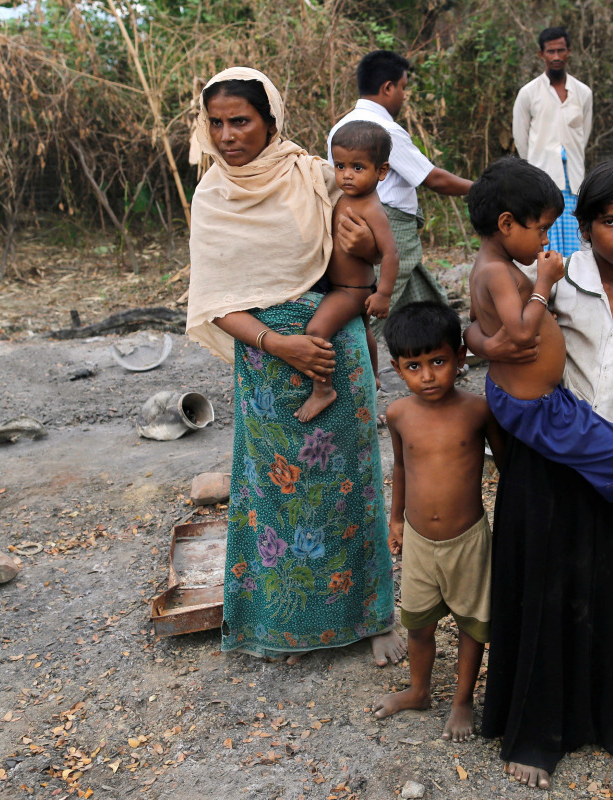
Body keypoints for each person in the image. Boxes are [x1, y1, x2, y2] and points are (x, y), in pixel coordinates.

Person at [185, 67, 406, 667]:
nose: (228, 135)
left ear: (272, 120)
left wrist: (361, 261)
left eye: (241, 121)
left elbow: (365, 252)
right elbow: (212, 300)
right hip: (266, 364)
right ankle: (284, 625)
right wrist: (278, 344)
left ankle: (372, 617)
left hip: (336, 348)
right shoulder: (213, 197)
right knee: (277, 502)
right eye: (218, 123)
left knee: (350, 490)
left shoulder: (314, 175)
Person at [469, 160, 613, 789]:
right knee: (538, 582)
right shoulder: (549, 277)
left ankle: (594, 713)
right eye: (610, 221)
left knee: (589, 579)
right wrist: (479, 343)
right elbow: (487, 323)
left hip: (597, 453)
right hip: (541, 452)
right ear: (582, 227)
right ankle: (531, 730)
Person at [467, 157, 613, 515]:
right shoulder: (498, 272)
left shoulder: (491, 267)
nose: (546, 239)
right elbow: (522, 332)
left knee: (597, 444)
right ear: (507, 223)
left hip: (530, 397)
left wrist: (541, 310)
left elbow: (477, 321)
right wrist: (543, 284)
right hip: (535, 405)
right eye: (542, 229)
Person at [373, 302, 504, 742]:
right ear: (397, 368)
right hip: (418, 539)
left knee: (472, 623)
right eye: (414, 366)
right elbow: (402, 468)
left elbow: (508, 470)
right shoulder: (398, 415)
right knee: (419, 624)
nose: (427, 376)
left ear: (460, 358)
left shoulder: (478, 411)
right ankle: (419, 689)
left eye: (438, 362)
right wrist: (395, 520)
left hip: (468, 539)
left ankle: (463, 699)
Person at [327, 50, 472, 334]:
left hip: (363, 220)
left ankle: (447, 354)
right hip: (389, 226)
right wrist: (485, 188)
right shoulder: (384, 131)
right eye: (403, 87)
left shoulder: (341, 127)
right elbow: (434, 179)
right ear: (388, 87)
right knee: (371, 309)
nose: (404, 96)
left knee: (426, 302)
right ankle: (347, 363)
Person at [297, 120, 401, 422]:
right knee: (364, 330)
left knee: (316, 331)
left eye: (358, 167)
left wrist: (384, 294)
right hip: (345, 286)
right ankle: (374, 376)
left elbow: (391, 253)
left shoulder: (371, 207)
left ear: (381, 171)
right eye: (340, 166)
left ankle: (323, 390)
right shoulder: (345, 197)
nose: (346, 175)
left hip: (351, 291)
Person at [512, 26, 593, 257]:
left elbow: (583, 135)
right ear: (541, 54)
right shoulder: (528, 93)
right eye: (551, 51)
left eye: (561, 50)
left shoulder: (583, 93)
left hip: (575, 182)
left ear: (569, 52)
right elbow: (521, 138)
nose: (556, 56)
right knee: (545, 242)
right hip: (543, 181)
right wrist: (534, 170)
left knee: (577, 247)